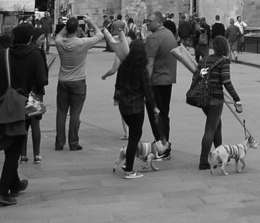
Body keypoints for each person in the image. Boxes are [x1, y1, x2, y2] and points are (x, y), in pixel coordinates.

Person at [54, 14, 109, 150]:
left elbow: (59, 35)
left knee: (61, 112)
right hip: (78, 81)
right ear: (77, 29)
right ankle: (73, 142)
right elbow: (99, 35)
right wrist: (90, 22)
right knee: (75, 113)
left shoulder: (59, 43)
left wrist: (69, 24)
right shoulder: (82, 43)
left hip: (63, 81)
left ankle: (59, 142)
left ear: (67, 28)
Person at [193, 35, 243, 170]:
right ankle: (204, 161)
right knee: (210, 128)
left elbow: (197, 74)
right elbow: (226, 82)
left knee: (216, 125)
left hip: (203, 98)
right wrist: (236, 98)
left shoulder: (205, 59)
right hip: (215, 99)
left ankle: (220, 154)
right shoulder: (223, 61)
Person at [113, 39, 159, 179]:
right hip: (136, 107)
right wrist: (154, 106)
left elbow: (118, 86)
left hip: (124, 106)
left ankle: (128, 163)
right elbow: (147, 90)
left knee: (133, 136)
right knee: (134, 137)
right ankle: (129, 169)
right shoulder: (142, 70)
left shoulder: (123, 67)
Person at [10, 23, 48, 167]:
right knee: (35, 123)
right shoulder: (37, 54)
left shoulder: (11, 53)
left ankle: (23, 155)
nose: (43, 41)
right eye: (41, 38)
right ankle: (37, 155)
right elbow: (43, 79)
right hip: (35, 93)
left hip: (19, 93)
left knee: (22, 124)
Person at [143, 10, 179, 150]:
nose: (147, 23)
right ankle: (164, 141)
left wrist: (144, 84)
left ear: (158, 22)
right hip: (168, 80)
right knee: (164, 113)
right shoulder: (169, 34)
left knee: (155, 113)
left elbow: (149, 63)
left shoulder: (154, 38)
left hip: (156, 81)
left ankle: (161, 144)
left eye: (149, 21)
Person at [0, 33, 29, 204]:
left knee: (12, 149)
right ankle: (3, 190)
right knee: (13, 150)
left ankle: (15, 183)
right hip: (9, 110)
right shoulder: (9, 58)